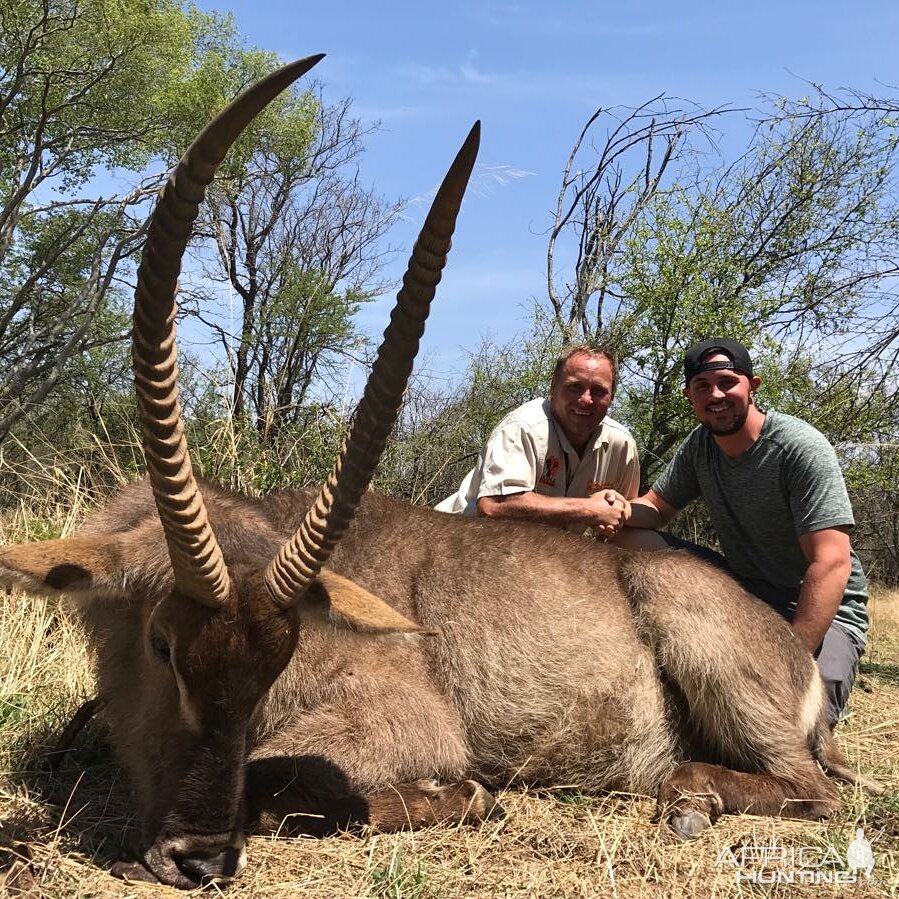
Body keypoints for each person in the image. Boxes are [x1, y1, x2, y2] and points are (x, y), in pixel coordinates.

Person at [621, 337, 869, 725]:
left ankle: (828, 675)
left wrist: (789, 657)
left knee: (795, 722)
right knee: (626, 537)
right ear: (689, 396)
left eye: (727, 382)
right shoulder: (700, 446)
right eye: (703, 386)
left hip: (821, 607)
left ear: (752, 386)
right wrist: (607, 508)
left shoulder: (799, 447)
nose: (716, 395)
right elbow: (654, 509)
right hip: (743, 592)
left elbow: (832, 562)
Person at [436, 343, 638, 539]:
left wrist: (615, 516)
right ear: (553, 387)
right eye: (574, 387)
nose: (586, 399)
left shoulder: (621, 444)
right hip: (462, 544)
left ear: (612, 397)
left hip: (545, 558)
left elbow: (624, 511)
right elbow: (493, 507)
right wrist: (588, 509)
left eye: (598, 390)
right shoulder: (524, 427)